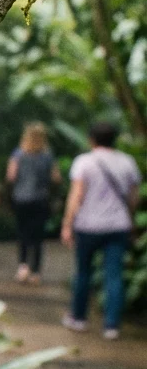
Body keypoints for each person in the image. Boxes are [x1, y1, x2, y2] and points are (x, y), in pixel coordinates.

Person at [62, 121, 141, 340]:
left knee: (83, 272)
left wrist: (68, 224)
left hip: (88, 226)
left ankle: (78, 319)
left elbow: (77, 195)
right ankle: (112, 325)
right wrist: (129, 217)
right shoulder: (127, 162)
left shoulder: (84, 162)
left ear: (91, 139)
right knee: (114, 275)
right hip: (118, 226)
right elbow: (134, 198)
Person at [7, 122, 60, 283]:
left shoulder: (18, 154)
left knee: (22, 233)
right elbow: (56, 178)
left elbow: (11, 176)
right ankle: (36, 272)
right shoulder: (48, 155)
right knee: (38, 236)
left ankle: (23, 267)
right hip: (40, 199)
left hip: (21, 199)